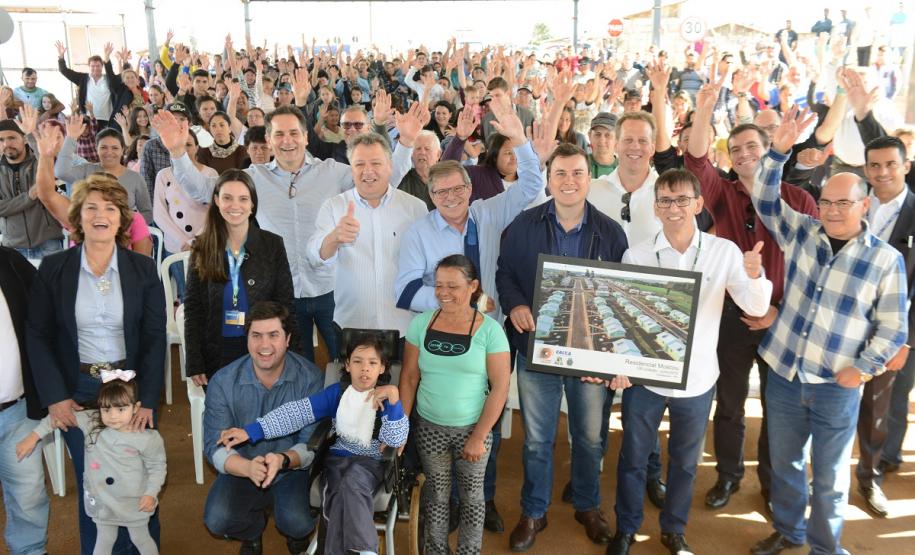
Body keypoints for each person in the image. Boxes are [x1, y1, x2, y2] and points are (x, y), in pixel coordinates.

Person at [748, 109, 907, 555]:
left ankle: (824, 547)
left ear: (865, 205)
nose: (832, 211)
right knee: (785, 465)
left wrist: (863, 369)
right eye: (827, 203)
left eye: (844, 203)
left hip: (838, 385)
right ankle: (789, 530)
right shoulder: (802, 231)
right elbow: (764, 198)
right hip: (783, 375)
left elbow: (893, 327)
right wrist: (778, 151)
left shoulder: (884, 261)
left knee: (832, 479)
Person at [156, 100, 422, 363]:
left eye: (294, 133)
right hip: (283, 292)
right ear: (269, 141)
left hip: (333, 289)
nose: (287, 140)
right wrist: (178, 152)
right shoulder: (254, 178)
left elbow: (379, 179)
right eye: (279, 134)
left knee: (346, 364)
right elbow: (203, 189)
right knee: (297, 369)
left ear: (306, 137)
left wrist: (406, 143)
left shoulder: (332, 172)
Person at [607, 169, 773, 555]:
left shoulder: (724, 251)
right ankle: (626, 529)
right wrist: (621, 364)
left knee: (684, 464)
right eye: (665, 200)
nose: (674, 207)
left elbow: (755, 307)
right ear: (656, 206)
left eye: (683, 199)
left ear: (698, 204)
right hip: (646, 379)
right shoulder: (637, 254)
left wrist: (755, 276)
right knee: (633, 458)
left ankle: (674, 531)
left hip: (697, 381)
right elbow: (624, 317)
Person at [685, 80, 819, 514]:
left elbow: (811, 269)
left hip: (786, 319)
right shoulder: (719, 192)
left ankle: (773, 481)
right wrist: (703, 109)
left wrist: (777, 310)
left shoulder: (799, 200)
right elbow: (696, 159)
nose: (743, 155)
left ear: (770, 149)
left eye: (752, 147)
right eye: (736, 149)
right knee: (730, 404)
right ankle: (728, 475)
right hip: (730, 318)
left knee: (780, 410)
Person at [495, 143, 629, 551]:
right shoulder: (523, 225)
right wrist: (516, 303)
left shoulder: (610, 232)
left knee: (588, 438)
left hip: (590, 355)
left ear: (590, 179)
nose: (569, 181)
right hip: (538, 350)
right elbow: (505, 274)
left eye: (577, 173)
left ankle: (588, 506)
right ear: (549, 179)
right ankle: (534, 511)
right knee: (537, 439)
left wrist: (612, 355)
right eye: (561, 174)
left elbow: (620, 297)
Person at [26, 173, 166, 555]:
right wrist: (55, 396)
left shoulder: (142, 269)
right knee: (94, 486)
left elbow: (155, 340)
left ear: (121, 220)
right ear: (76, 219)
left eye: (109, 208)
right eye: (91, 207)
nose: (100, 215)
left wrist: (149, 401)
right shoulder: (54, 268)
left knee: (135, 480)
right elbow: (37, 335)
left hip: (130, 392)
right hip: (78, 392)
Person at [217, 333, 409, 555]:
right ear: (347, 365)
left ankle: (362, 550)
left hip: (371, 463)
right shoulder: (336, 394)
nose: (365, 369)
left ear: (383, 368)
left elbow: (395, 440)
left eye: (372, 363)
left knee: (350, 481)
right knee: (339, 484)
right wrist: (250, 431)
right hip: (337, 459)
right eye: (357, 361)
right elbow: (295, 413)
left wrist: (394, 397)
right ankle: (364, 550)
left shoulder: (387, 399)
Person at [400, 254, 511, 555]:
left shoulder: (491, 331)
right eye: (438, 286)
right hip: (429, 428)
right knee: (436, 495)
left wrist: (479, 436)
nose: (443, 293)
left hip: (473, 430)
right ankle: (436, 551)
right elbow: (409, 379)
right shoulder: (421, 324)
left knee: (473, 498)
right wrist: (401, 426)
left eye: (452, 286)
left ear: (473, 286)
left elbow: (500, 388)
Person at [202, 301, 323, 555]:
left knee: (297, 522)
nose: (264, 345)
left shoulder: (311, 378)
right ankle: (253, 530)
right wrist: (247, 468)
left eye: (273, 335)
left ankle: (294, 530)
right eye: (256, 335)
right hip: (243, 468)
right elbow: (213, 445)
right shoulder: (223, 381)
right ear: (247, 338)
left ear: (288, 339)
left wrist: (282, 460)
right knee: (216, 519)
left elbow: (311, 444)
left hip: (291, 469)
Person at [16, 375, 166, 555]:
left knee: (140, 539)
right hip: (102, 500)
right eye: (106, 409)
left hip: (132, 502)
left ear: (136, 407)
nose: (112, 416)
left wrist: (151, 493)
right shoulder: (92, 421)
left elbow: (157, 467)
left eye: (121, 409)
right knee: (104, 539)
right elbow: (56, 419)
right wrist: (33, 437)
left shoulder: (147, 437)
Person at [308, 133, 428, 338]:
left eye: (376, 163)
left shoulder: (415, 208)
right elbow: (314, 258)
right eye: (359, 164)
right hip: (351, 325)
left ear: (390, 166)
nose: (368, 171)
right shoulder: (334, 206)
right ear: (351, 169)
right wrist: (334, 238)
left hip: (406, 326)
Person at [184, 170, 297, 386]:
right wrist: (195, 362)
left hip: (264, 350)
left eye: (243, 199)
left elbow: (286, 304)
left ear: (252, 204)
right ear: (216, 200)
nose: (235, 206)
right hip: (216, 352)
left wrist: (292, 355)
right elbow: (193, 308)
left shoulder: (272, 245)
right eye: (227, 198)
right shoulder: (202, 246)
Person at [853, 135, 915, 517]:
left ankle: (870, 475)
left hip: (895, 332)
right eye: (874, 165)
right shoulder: (854, 205)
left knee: (883, 407)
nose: (882, 172)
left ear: (906, 166)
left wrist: (906, 340)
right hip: (845, 324)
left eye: (890, 164)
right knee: (839, 402)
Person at [0, 246, 49, 555]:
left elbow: (49, 308)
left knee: (28, 494)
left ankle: (30, 551)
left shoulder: (9, 261)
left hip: (17, 409)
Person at [55, 116, 154, 223]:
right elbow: (61, 172)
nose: (109, 152)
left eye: (115, 148)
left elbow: (147, 213)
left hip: (124, 236)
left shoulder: (135, 178)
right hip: (91, 233)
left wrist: (128, 223)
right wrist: (70, 139)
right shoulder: (87, 170)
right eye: (103, 147)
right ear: (96, 149)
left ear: (122, 150)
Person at [0, 118, 64, 259]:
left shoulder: (40, 161)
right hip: (12, 247)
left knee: (54, 282)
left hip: (48, 243)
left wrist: (30, 133)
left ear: (24, 139)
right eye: (1, 140)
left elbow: (46, 155)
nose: (6, 144)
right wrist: (29, 196)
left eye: (12, 138)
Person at [56, 41, 114, 128]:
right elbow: (64, 70)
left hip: (107, 118)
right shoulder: (83, 78)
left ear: (102, 66)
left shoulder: (109, 78)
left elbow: (120, 75)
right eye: (92, 66)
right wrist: (61, 56)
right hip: (88, 118)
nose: (95, 68)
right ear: (89, 66)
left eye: (98, 66)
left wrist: (107, 57)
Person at [398, 130, 441, 210]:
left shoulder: (446, 179)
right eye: (418, 149)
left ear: (438, 155)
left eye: (427, 149)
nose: (422, 152)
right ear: (411, 154)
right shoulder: (402, 179)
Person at [588, 112, 619, 178]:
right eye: (597, 134)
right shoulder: (579, 166)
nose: (602, 140)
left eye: (608, 135)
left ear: (617, 139)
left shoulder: (625, 169)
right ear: (590, 136)